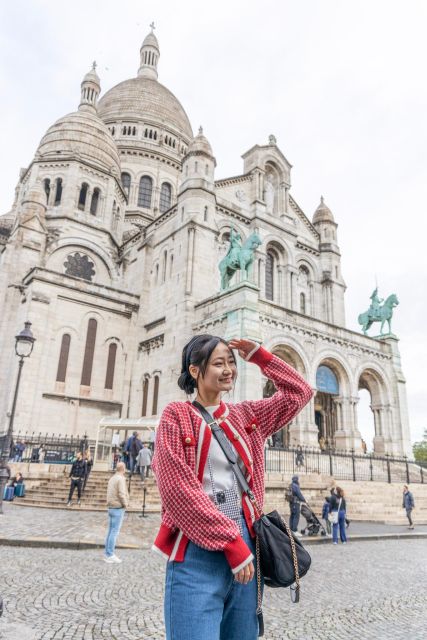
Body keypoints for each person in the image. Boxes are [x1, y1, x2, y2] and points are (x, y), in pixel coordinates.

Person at [152, 335, 313, 640]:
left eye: (231, 362)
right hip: (197, 553)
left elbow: (300, 392)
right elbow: (177, 491)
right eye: (218, 363)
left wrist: (261, 357)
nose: (228, 370)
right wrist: (231, 544)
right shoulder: (176, 416)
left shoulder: (246, 416)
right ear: (196, 371)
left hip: (247, 549)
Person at [104, 461, 129, 563]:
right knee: (114, 532)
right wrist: (126, 504)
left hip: (111, 507)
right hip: (118, 507)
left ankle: (107, 553)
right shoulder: (121, 479)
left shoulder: (112, 478)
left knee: (110, 531)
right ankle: (110, 554)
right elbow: (121, 493)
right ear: (123, 469)